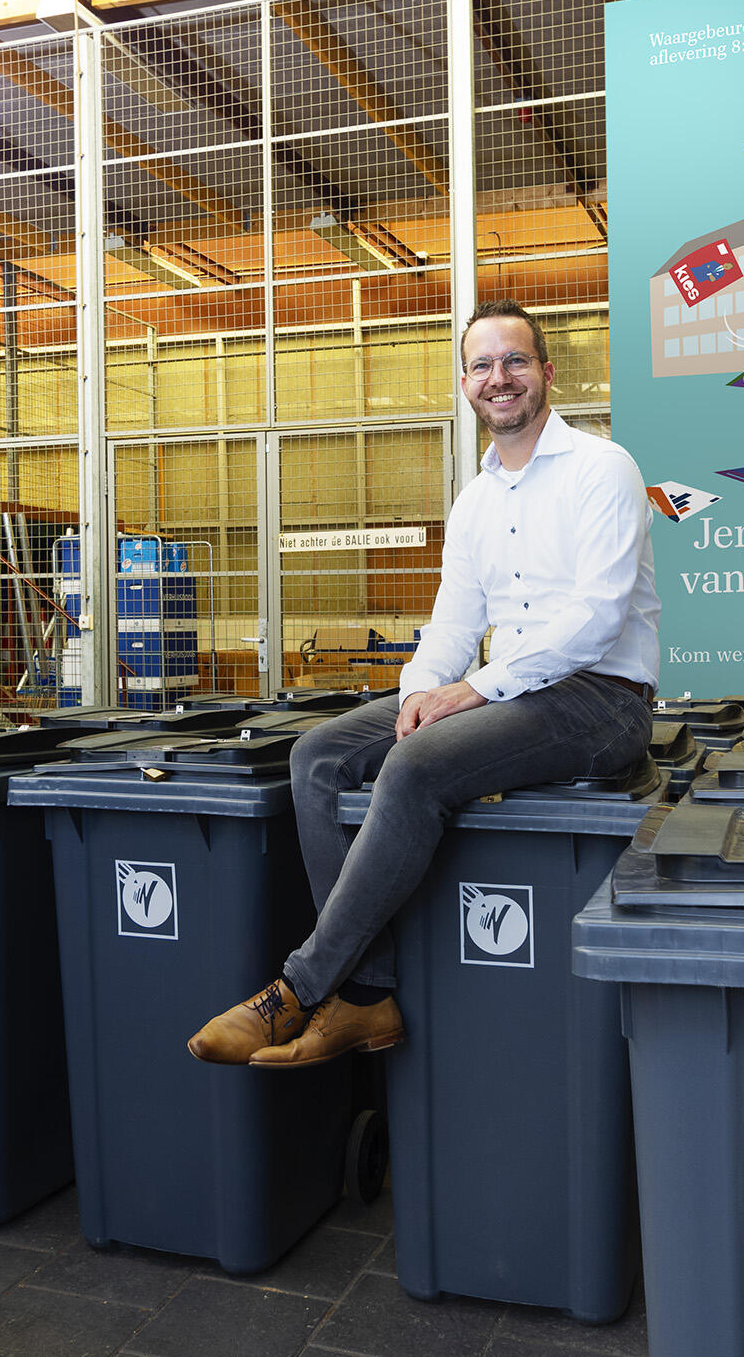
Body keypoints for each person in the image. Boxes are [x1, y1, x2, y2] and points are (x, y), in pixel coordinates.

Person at [187, 299, 661, 1068]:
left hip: (600, 699)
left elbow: (595, 618)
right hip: (515, 692)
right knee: (318, 756)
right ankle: (366, 1000)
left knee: (412, 768)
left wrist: (471, 692)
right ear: (466, 383)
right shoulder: (475, 501)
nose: (498, 378)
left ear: (547, 372)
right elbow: (451, 623)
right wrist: (419, 693)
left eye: (514, 361)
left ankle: (299, 991)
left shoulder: (603, 469)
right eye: (481, 365)